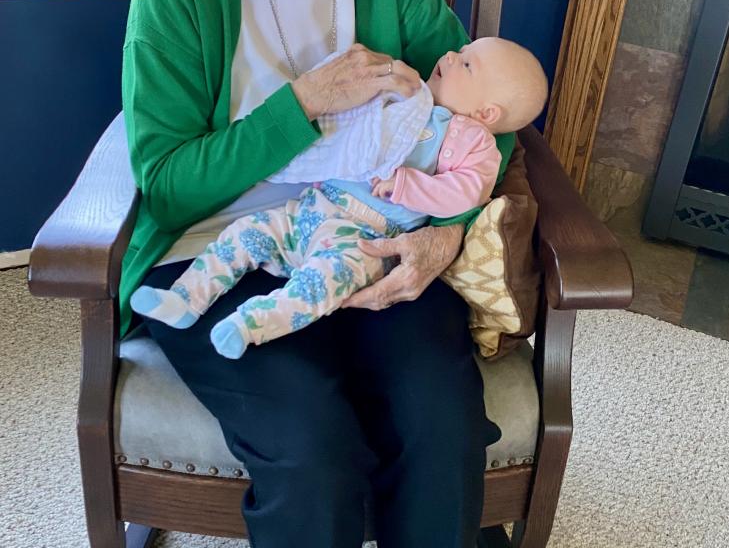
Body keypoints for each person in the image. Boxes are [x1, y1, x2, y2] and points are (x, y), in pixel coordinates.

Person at [120, 0, 522, 548]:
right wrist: (301, 106)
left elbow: (486, 114)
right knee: (311, 449)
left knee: (441, 417)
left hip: (376, 235)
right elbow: (170, 186)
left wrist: (447, 230)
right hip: (228, 248)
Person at [129, 38, 547, 359]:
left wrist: (406, 186)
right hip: (313, 207)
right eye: (461, 50)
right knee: (246, 234)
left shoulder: (474, 143)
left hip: (365, 237)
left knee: (322, 285)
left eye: (467, 64)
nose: (452, 54)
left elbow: (465, 193)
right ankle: (186, 297)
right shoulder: (409, 93)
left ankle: (250, 324)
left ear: (487, 114)